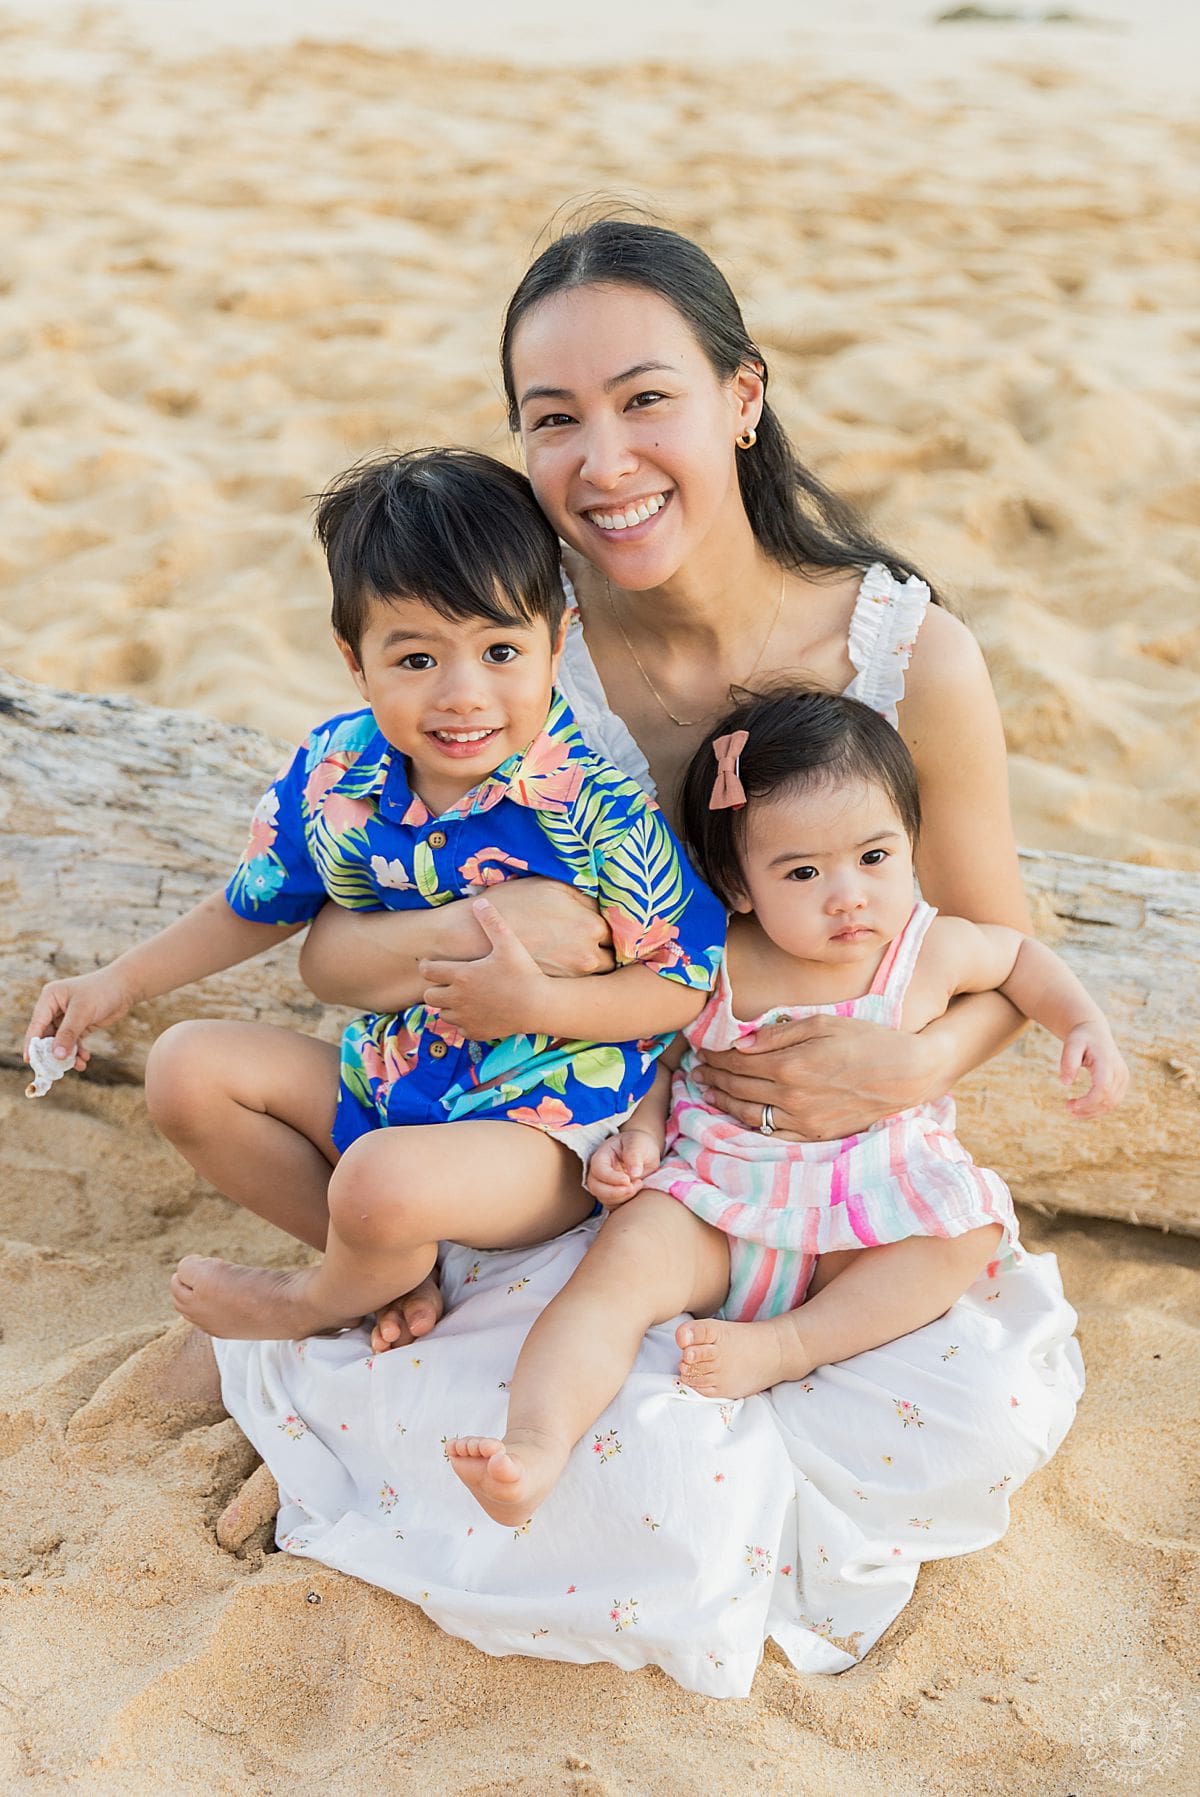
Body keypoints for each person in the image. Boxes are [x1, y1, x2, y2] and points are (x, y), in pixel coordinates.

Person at [62, 220, 1089, 1698]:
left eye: (645, 397)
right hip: (550, 1120)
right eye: (554, 420)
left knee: (926, 1394)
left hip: (758, 1154)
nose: (603, 460)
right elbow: (338, 953)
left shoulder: (904, 656)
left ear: (743, 396)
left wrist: (908, 1058)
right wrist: (511, 939)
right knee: (560, 1388)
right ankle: (387, 1318)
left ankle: (399, 1323)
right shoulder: (506, 637)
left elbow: (1000, 949)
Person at [24, 447, 724, 1344]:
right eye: (417, 657)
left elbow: (685, 983)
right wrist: (116, 985)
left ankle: (318, 1297)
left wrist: (541, 1001)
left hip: (548, 1134)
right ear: (355, 661)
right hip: (388, 1082)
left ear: (560, 636)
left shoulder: (595, 807)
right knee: (186, 1070)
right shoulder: (336, 768)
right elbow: (258, 901)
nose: (463, 695)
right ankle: (391, 1279)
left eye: (502, 650)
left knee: (380, 1183)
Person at [446, 687, 1126, 1523]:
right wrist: (645, 1130)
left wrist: (1082, 1023)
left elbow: (1020, 958)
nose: (848, 895)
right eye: (803, 872)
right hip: (719, 1199)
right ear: (736, 882)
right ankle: (536, 1445)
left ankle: (789, 1344)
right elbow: (660, 1051)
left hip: (868, 1203)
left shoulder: (926, 948)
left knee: (959, 1238)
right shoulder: (718, 962)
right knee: (610, 1282)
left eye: (874, 857)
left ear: (908, 844)